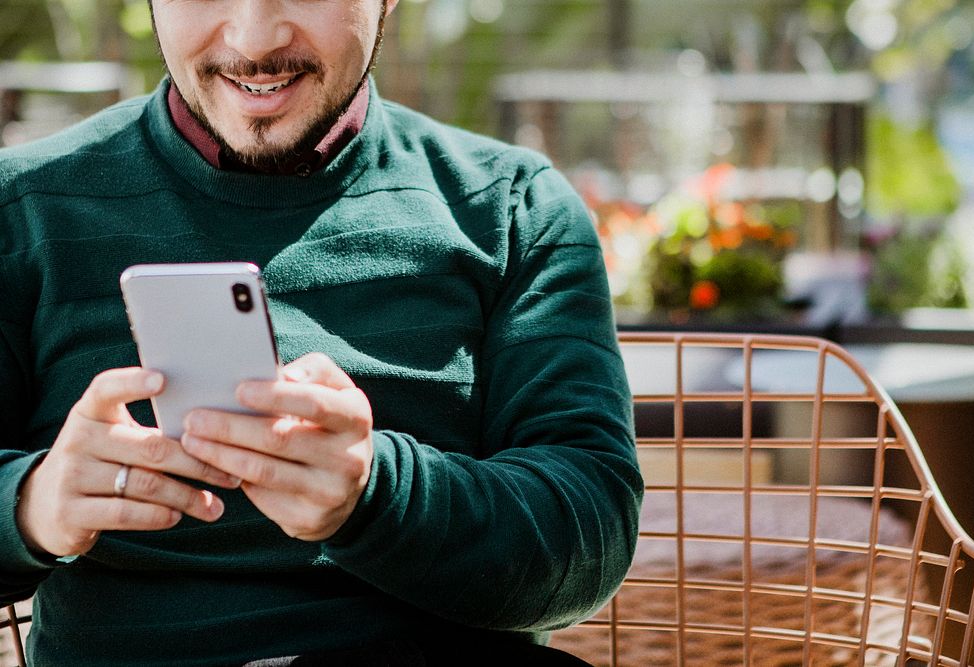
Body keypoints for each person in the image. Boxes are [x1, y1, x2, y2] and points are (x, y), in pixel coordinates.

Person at [0, 0, 642, 664]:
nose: (254, 38)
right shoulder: (20, 212)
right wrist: (33, 504)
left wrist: (377, 494)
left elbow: (591, 532)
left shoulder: (513, 209)